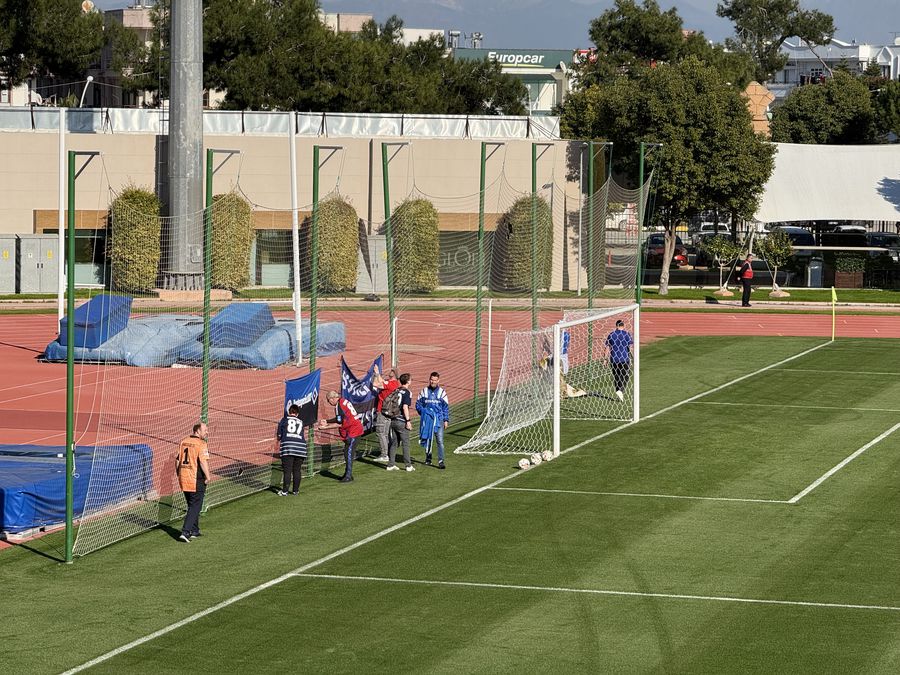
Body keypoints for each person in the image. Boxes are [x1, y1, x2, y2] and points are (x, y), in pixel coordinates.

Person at [175, 421, 211, 543]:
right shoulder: (201, 444)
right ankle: (186, 532)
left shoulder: (184, 441)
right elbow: (203, 462)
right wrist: (208, 476)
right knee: (196, 505)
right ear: (197, 431)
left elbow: (177, 460)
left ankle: (194, 530)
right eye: (205, 429)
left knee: (192, 504)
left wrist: (178, 474)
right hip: (196, 479)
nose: (207, 432)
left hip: (184, 478)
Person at [319, 390, 364, 483]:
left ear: (332, 399)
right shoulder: (343, 402)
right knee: (347, 452)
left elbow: (340, 423)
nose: (329, 402)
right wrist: (327, 421)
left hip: (353, 431)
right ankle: (348, 474)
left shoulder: (339, 406)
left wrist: (325, 427)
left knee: (348, 453)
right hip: (354, 430)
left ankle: (348, 476)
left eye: (328, 400)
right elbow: (340, 418)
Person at [415, 371, 450, 469]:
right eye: (431, 380)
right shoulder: (424, 391)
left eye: (435, 380)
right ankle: (428, 459)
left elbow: (445, 407)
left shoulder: (442, 392)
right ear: (429, 379)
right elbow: (418, 404)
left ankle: (441, 461)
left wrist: (446, 420)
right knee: (428, 439)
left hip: (439, 420)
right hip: (428, 420)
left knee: (440, 441)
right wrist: (424, 412)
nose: (433, 382)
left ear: (438, 380)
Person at [275, 404, 307, 495]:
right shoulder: (301, 422)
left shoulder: (284, 420)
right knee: (297, 470)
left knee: (287, 470)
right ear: (297, 414)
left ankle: (285, 491)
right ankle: (295, 490)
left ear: (289, 412)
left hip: (288, 447)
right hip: (301, 448)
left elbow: (279, 436)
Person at [386, 373, 414, 472]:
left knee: (394, 443)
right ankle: (408, 465)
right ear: (408, 381)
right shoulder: (407, 392)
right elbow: (405, 407)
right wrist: (408, 421)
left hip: (392, 420)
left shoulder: (396, 390)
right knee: (405, 443)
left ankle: (390, 464)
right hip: (401, 420)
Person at [371, 365, 399, 462]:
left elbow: (376, 384)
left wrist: (377, 373)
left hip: (382, 411)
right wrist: (377, 374)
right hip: (389, 412)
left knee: (380, 433)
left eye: (391, 371)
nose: (389, 372)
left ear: (394, 375)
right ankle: (387, 453)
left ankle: (384, 454)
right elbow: (379, 382)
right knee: (385, 433)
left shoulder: (391, 384)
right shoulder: (394, 384)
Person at [605, 319, 633, 402]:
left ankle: (618, 392)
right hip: (624, 359)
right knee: (625, 376)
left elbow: (607, 347)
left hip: (614, 359)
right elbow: (629, 348)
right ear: (623, 326)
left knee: (616, 376)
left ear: (616, 326)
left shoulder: (611, 334)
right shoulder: (626, 334)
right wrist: (633, 357)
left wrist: (605, 359)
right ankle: (621, 391)